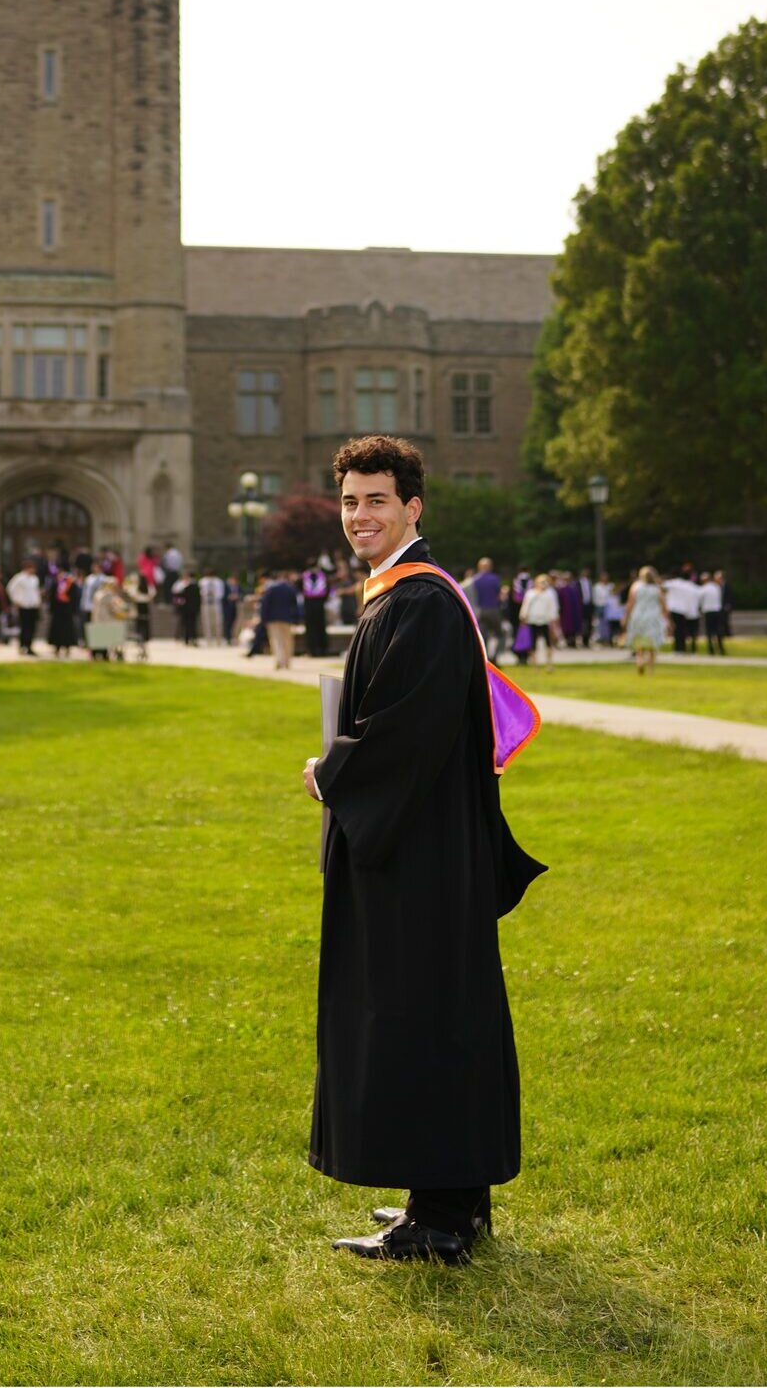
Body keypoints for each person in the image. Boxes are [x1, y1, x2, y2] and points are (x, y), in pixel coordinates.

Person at [305, 434, 545, 1265]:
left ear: (413, 505)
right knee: (435, 1016)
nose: (359, 514)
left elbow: (404, 737)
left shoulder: (422, 603)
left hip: (420, 854)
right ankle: (448, 1198)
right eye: (349, 501)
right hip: (422, 846)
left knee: (420, 1017)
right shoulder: (401, 597)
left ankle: (441, 1220)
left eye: (375, 499)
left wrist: (330, 770)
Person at [623, 566, 668, 678]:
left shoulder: (636, 587)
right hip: (653, 617)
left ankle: (640, 661)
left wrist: (625, 617)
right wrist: (667, 619)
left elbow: (630, 603)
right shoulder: (657, 589)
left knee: (640, 644)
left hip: (638, 616)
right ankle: (651, 670)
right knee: (652, 645)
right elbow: (664, 605)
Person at [260, 570, 301, 669]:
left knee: (276, 640)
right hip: (287, 618)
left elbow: (265, 605)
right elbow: (295, 606)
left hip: (273, 619)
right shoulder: (290, 589)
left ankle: (279, 660)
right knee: (287, 641)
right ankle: (287, 661)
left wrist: (263, 618)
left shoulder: (271, 590)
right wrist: (296, 619)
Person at [520, 574, 560, 669]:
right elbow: (526, 605)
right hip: (533, 620)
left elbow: (554, 607)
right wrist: (523, 617)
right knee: (533, 643)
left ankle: (549, 664)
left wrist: (554, 620)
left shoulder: (550, 593)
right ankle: (535, 664)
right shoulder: (530, 593)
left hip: (545, 620)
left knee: (549, 643)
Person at [470, 557, 502, 660]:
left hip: (480, 610)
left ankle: (486, 658)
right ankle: (495, 655)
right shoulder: (495, 578)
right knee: (500, 634)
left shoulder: (475, 580)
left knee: (483, 636)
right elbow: (498, 594)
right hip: (493, 609)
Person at [8, 560, 43, 655]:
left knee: (32, 628)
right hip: (24, 605)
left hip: (33, 605)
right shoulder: (19, 578)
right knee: (24, 627)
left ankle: (29, 646)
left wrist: (38, 601)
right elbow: (10, 588)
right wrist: (16, 600)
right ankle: (22, 645)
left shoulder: (35, 579)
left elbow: (36, 591)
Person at [663, 567, 701, 655]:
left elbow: (663, 585)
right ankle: (681, 648)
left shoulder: (675, 583)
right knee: (681, 630)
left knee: (677, 630)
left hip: (675, 609)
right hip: (684, 610)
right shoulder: (690, 586)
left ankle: (678, 648)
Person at [301, 563, 330, 657]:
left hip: (313, 604)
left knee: (316, 627)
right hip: (316, 604)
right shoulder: (321, 576)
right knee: (316, 627)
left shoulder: (306, 576)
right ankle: (318, 649)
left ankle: (316, 650)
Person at [700, 570, 726, 655]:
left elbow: (700, 599)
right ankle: (721, 649)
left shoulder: (704, 589)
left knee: (709, 631)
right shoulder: (716, 587)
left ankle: (711, 649)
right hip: (717, 611)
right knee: (718, 630)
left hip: (708, 612)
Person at [199, 567, 225, 646]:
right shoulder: (202, 581)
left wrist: (214, 595)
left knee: (218, 622)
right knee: (206, 622)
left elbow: (221, 593)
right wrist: (205, 594)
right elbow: (200, 592)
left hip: (216, 603)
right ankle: (208, 639)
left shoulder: (218, 582)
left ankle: (218, 639)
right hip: (206, 603)